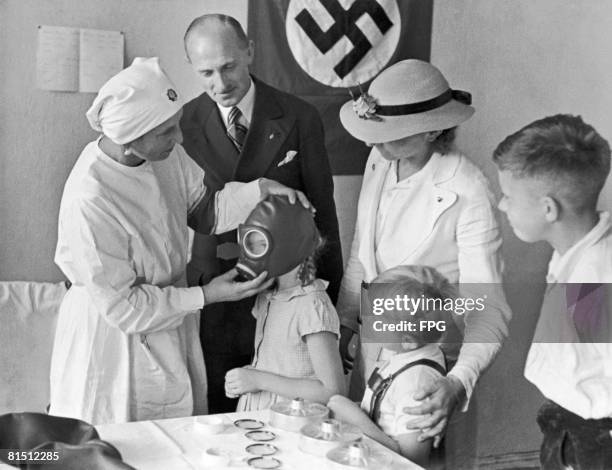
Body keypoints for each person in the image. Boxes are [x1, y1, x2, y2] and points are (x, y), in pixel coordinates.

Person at [50, 57, 310, 425]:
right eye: (167, 132)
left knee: (174, 437)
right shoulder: (90, 199)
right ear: (130, 142)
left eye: (176, 126)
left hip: (169, 312)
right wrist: (206, 296)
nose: (180, 138)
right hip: (114, 337)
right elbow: (124, 307)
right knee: (114, 439)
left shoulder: (162, 154)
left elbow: (205, 209)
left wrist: (260, 190)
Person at [337, 59, 511, 445]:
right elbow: (361, 256)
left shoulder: (469, 190)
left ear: (433, 130)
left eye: (391, 135)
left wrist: (457, 383)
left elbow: (489, 310)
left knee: (418, 455)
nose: (373, 144)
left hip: (430, 360)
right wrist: (344, 325)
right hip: (374, 350)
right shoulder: (380, 160)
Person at [180, 13, 343, 413]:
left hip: (286, 295)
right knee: (221, 407)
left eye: (229, 66)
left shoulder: (299, 116)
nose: (220, 84)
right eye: (206, 73)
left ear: (250, 51)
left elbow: (323, 213)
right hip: (215, 287)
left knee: (284, 410)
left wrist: (333, 297)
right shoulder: (184, 122)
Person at [493, 114, 612, 469]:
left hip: (596, 442)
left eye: (509, 196)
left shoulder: (592, 282)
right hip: (568, 428)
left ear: (548, 209)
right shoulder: (575, 251)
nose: (502, 205)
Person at [329, 265, 461, 467]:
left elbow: (413, 460)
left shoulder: (416, 384)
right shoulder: (401, 356)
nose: (363, 321)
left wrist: (355, 420)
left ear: (407, 339)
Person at [223, 195, 345, 410]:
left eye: (261, 245)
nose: (252, 254)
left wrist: (258, 380)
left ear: (290, 245)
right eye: (250, 245)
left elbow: (332, 391)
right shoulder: (267, 296)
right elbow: (275, 363)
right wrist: (246, 379)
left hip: (293, 421)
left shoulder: (311, 305)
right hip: (259, 417)